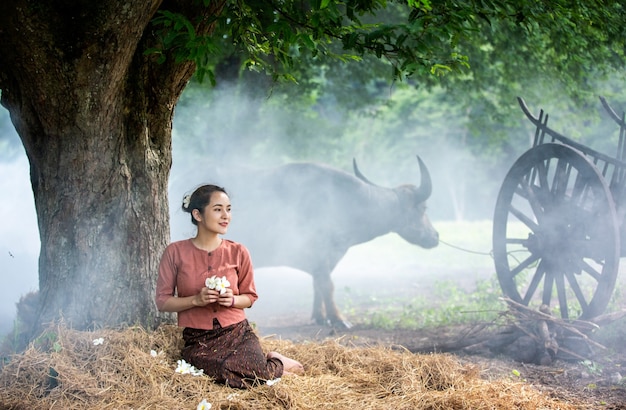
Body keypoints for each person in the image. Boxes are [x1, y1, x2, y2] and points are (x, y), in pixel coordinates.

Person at [155, 184, 304, 388]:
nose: (226, 216)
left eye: (229, 209)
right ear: (198, 215)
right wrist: (195, 301)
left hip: (236, 332)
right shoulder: (174, 252)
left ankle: (275, 362)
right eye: (218, 209)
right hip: (199, 338)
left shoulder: (238, 252)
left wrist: (232, 300)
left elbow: (250, 297)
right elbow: (163, 302)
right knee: (221, 372)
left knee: (251, 369)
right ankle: (275, 371)